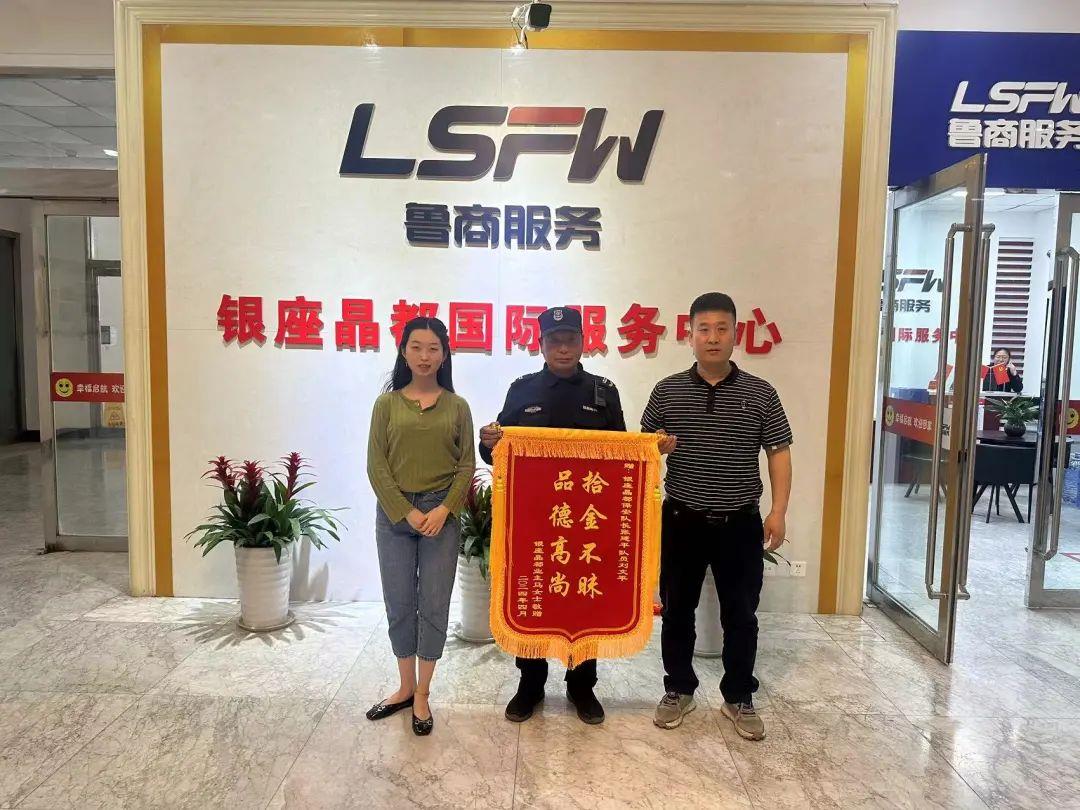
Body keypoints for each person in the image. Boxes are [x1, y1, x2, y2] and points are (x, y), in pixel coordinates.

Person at [642, 292, 792, 741]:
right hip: (682, 520)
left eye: (721, 329)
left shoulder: (761, 393)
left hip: (740, 523)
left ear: (735, 334)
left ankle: (738, 696)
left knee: (741, 614)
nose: (712, 338)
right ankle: (678, 688)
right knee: (677, 610)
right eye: (703, 329)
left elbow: (779, 453)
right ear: (689, 336)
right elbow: (643, 448)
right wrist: (657, 446)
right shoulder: (666, 390)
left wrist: (778, 511)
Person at [479, 306, 626, 725]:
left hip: (587, 522)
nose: (563, 348)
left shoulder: (603, 391)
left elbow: (622, 454)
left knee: (585, 599)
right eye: (554, 341)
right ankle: (530, 683)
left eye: (570, 340)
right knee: (534, 596)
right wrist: (487, 442)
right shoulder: (522, 390)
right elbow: (497, 453)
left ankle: (582, 686)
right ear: (541, 345)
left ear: (583, 342)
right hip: (535, 521)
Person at [365, 316, 475, 736]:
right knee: (398, 602)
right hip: (395, 516)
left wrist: (444, 509)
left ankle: (423, 692)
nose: (424, 356)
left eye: (433, 348)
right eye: (416, 347)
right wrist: (404, 510)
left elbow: (466, 464)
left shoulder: (457, 406)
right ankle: (404, 686)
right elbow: (376, 464)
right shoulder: (386, 405)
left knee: (433, 603)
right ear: (403, 351)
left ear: (444, 354)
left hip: (440, 516)